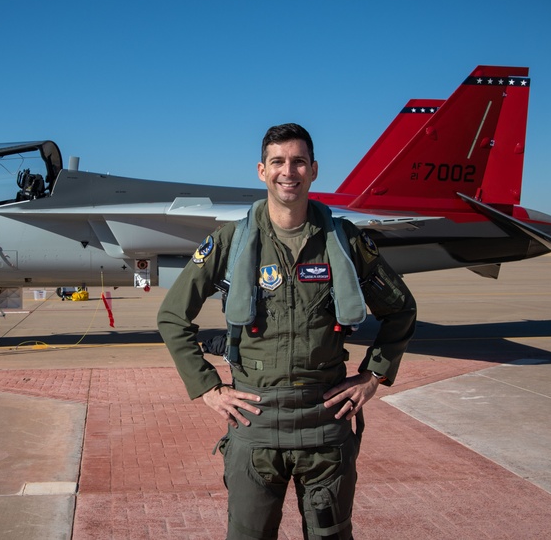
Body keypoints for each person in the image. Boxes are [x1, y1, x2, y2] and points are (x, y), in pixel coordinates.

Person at [157, 123, 417, 540]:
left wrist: (374, 375)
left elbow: (401, 308)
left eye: (298, 162)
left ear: (314, 170)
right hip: (255, 421)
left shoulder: (344, 242)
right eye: (278, 162)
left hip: (326, 422)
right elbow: (172, 316)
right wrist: (207, 387)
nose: (288, 171)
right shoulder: (231, 242)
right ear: (262, 171)